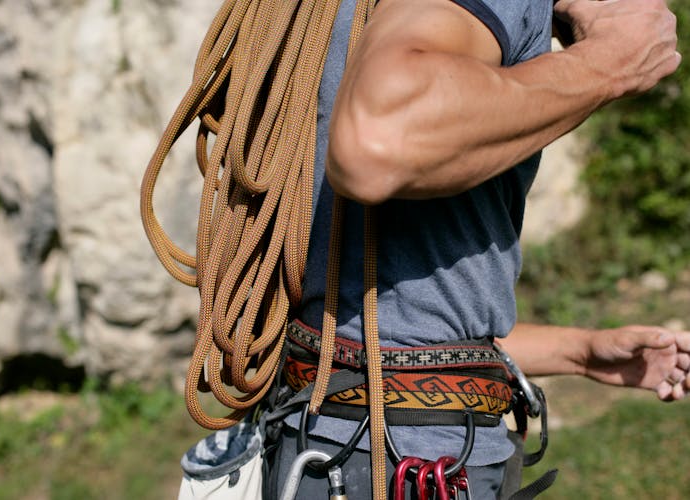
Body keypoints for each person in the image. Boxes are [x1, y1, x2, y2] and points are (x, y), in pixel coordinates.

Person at [270, 0, 687, 498]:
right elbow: (377, 143)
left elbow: (396, 326)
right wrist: (609, 64)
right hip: (397, 458)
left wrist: (579, 354)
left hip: (319, 437)